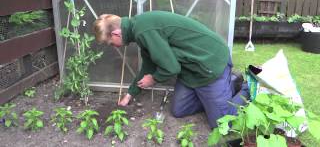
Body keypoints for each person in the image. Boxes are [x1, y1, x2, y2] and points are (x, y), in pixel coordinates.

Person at [92, 11, 249, 128]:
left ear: (116, 33)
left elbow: (171, 68)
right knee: (179, 110)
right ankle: (220, 94)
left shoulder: (143, 31)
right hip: (190, 69)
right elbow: (148, 65)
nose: (112, 46)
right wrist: (129, 95)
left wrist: (153, 79)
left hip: (209, 63)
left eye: (110, 42)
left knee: (221, 123)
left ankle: (244, 88)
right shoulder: (138, 29)